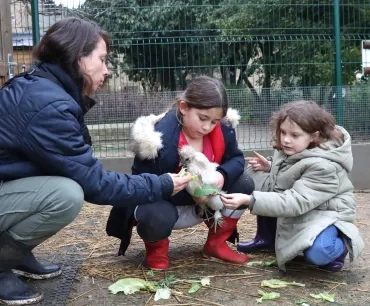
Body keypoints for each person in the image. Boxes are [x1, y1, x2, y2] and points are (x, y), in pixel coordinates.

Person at [0, 17, 191, 305]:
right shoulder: (48, 104)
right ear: (78, 57)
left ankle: (16, 252)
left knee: (61, 187)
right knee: (65, 195)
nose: (107, 70)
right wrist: (161, 184)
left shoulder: (43, 88)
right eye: (101, 60)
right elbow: (95, 184)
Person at [106, 76, 255, 270]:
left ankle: (216, 243)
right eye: (203, 118)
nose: (207, 127)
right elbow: (142, 184)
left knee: (243, 183)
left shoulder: (223, 129)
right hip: (168, 205)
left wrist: (222, 176)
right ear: (184, 107)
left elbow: (236, 159)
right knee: (154, 212)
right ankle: (157, 253)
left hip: (206, 204)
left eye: (214, 122)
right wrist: (170, 185)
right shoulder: (157, 140)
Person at [220, 100, 364, 272]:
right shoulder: (296, 148)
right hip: (305, 208)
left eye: (295, 135)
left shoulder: (324, 166)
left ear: (314, 135)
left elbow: (295, 201)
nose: (286, 140)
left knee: (318, 253)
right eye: (283, 132)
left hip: (325, 214)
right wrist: (271, 166)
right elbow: (294, 170)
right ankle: (267, 239)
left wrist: (249, 200)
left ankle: (338, 245)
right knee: (263, 181)